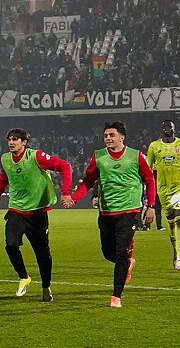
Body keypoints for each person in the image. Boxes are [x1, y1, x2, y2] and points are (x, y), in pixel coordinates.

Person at [67, 122, 157, 307]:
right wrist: (74, 198)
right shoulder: (99, 157)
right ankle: (128, 262)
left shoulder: (136, 156)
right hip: (106, 212)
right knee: (109, 253)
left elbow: (149, 180)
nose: (108, 138)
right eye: (106, 135)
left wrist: (151, 206)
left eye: (111, 135)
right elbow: (89, 181)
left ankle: (116, 296)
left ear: (121, 137)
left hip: (129, 211)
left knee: (121, 251)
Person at [0, 128, 73, 301]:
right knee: (11, 245)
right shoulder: (5, 159)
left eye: (15, 139)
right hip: (17, 211)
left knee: (42, 253)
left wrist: (66, 192)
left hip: (38, 212)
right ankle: (24, 277)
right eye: (9, 139)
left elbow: (65, 166)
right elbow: (4, 180)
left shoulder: (36, 156)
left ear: (24, 142)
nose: (11, 142)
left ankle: (46, 286)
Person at [146, 120, 180, 271]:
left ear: (174, 129)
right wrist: (146, 185)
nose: (166, 129)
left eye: (169, 127)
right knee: (170, 222)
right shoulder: (154, 146)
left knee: (179, 217)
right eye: (164, 127)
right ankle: (176, 252)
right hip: (163, 188)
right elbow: (148, 168)